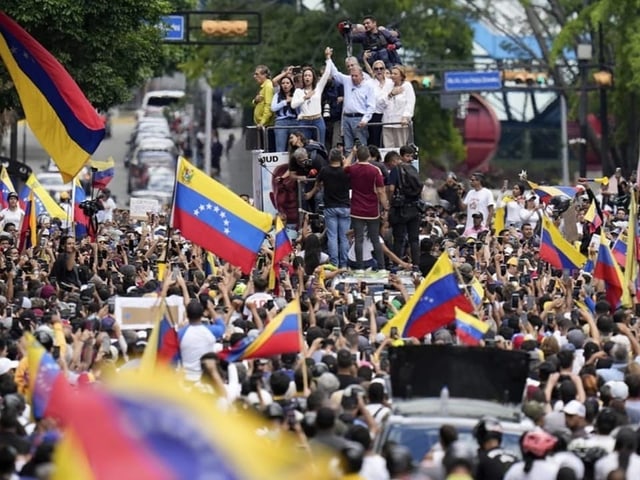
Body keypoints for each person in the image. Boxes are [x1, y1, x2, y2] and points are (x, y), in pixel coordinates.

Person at [344, 146, 389, 271]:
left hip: (357, 208)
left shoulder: (352, 169)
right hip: (372, 209)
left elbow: (344, 166)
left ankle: (359, 268)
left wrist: (351, 154)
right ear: (369, 156)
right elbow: (381, 191)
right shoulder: (375, 170)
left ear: (357, 156)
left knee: (358, 239)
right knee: (375, 238)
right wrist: (385, 206)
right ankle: (382, 268)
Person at [305, 148, 351, 268]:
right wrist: (353, 153)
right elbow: (347, 164)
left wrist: (310, 193)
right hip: (345, 206)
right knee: (344, 237)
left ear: (329, 158)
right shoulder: (345, 171)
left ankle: (334, 263)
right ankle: (344, 264)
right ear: (341, 159)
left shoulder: (324, 171)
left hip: (330, 207)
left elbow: (317, 185)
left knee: (332, 236)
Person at [326, 48, 376, 155]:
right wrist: (328, 58)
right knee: (348, 147)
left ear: (362, 75)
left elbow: (371, 106)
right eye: (352, 75)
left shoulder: (369, 85)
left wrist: (365, 119)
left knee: (362, 146)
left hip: (359, 118)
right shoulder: (347, 80)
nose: (353, 78)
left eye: (356, 76)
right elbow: (335, 73)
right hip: (347, 117)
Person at [388, 145, 422, 266]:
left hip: (400, 208)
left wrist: (389, 202)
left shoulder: (395, 170)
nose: (410, 158)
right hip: (414, 207)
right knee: (414, 239)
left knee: (398, 238)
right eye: (409, 156)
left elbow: (391, 188)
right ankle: (416, 265)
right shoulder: (414, 170)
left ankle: (397, 264)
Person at [178, 299, 225, 382]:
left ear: (187, 315)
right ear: (202, 314)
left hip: (186, 378)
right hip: (206, 378)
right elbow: (221, 325)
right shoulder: (211, 331)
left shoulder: (180, 333)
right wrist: (211, 309)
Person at [291, 49, 332, 144]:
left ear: (313, 77)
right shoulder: (298, 91)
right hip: (304, 121)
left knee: (320, 144)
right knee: (304, 145)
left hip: (317, 119)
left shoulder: (318, 88)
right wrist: (305, 98)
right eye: (305, 76)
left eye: (309, 75)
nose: (307, 77)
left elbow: (326, 73)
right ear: (303, 78)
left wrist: (328, 58)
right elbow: (293, 105)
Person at [378, 65, 415, 148]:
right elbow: (380, 102)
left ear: (401, 76)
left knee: (400, 147)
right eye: (391, 73)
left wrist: (406, 116)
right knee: (388, 149)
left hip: (400, 123)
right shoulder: (388, 85)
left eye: (395, 74)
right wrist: (391, 94)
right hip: (387, 123)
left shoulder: (407, 86)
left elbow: (410, 103)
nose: (392, 75)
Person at [362, 59, 392, 147]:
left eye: (381, 68)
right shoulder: (368, 83)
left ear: (384, 69)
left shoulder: (390, 82)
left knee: (388, 141)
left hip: (389, 114)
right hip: (375, 115)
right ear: (373, 70)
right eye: (376, 69)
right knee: (374, 141)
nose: (379, 71)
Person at [270, 72, 298, 153]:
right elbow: (273, 108)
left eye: (287, 83)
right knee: (280, 148)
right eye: (283, 83)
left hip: (295, 121)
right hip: (281, 122)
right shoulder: (277, 95)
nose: (285, 85)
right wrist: (285, 102)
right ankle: (281, 165)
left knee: (296, 147)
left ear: (291, 85)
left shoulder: (296, 94)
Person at [252, 64, 275, 132]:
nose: (254, 76)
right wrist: (255, 101)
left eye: (257, 74)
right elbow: (256, 101)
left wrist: (262, 122)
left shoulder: (268, 86)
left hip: (265, 126)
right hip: (262, 125)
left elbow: (268, 106)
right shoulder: (263, 87)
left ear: (264, 75)